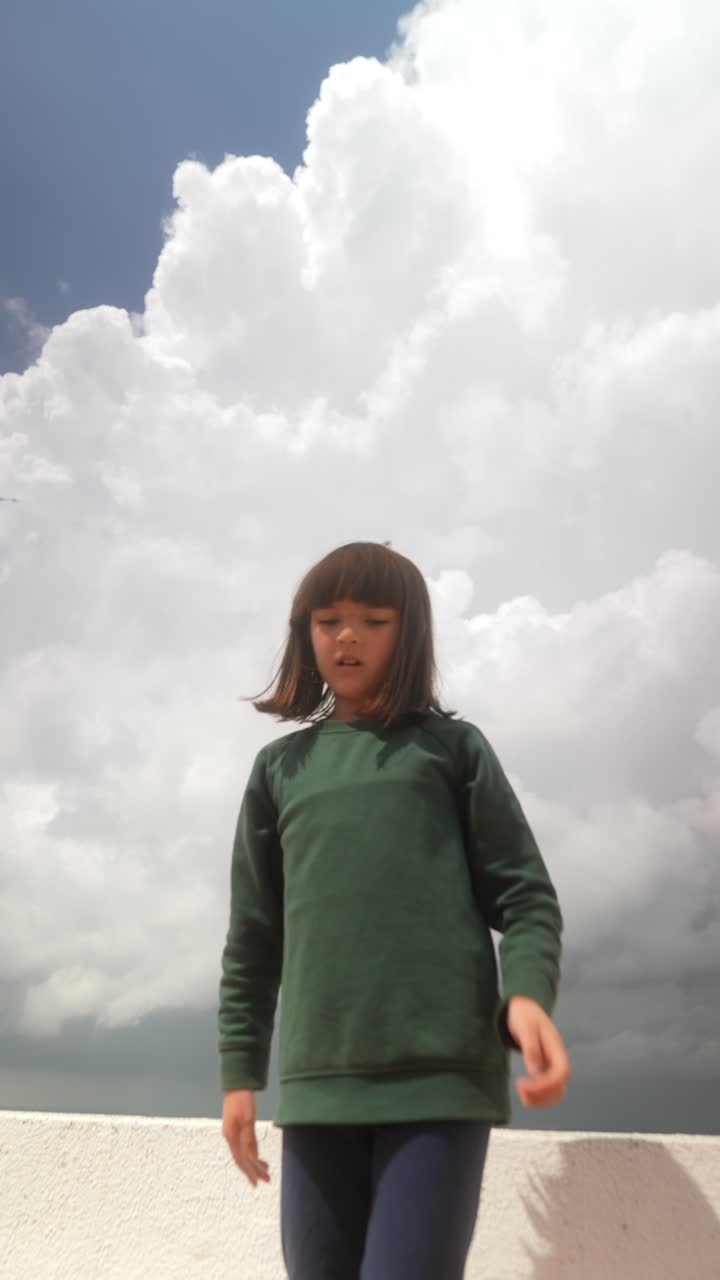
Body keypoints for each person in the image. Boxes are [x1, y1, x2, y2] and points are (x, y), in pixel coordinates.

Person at [219, 540, 571, 1279]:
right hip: (317, 1088)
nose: (347, 637)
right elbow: (253, 939)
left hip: (439, 1081)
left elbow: (526, 896)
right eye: (328, 620)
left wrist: (529, 998)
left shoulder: (452, 751)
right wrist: (239, 1075)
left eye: (373, 619)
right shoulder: (279, 770)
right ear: (304, 633)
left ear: (408, 633)